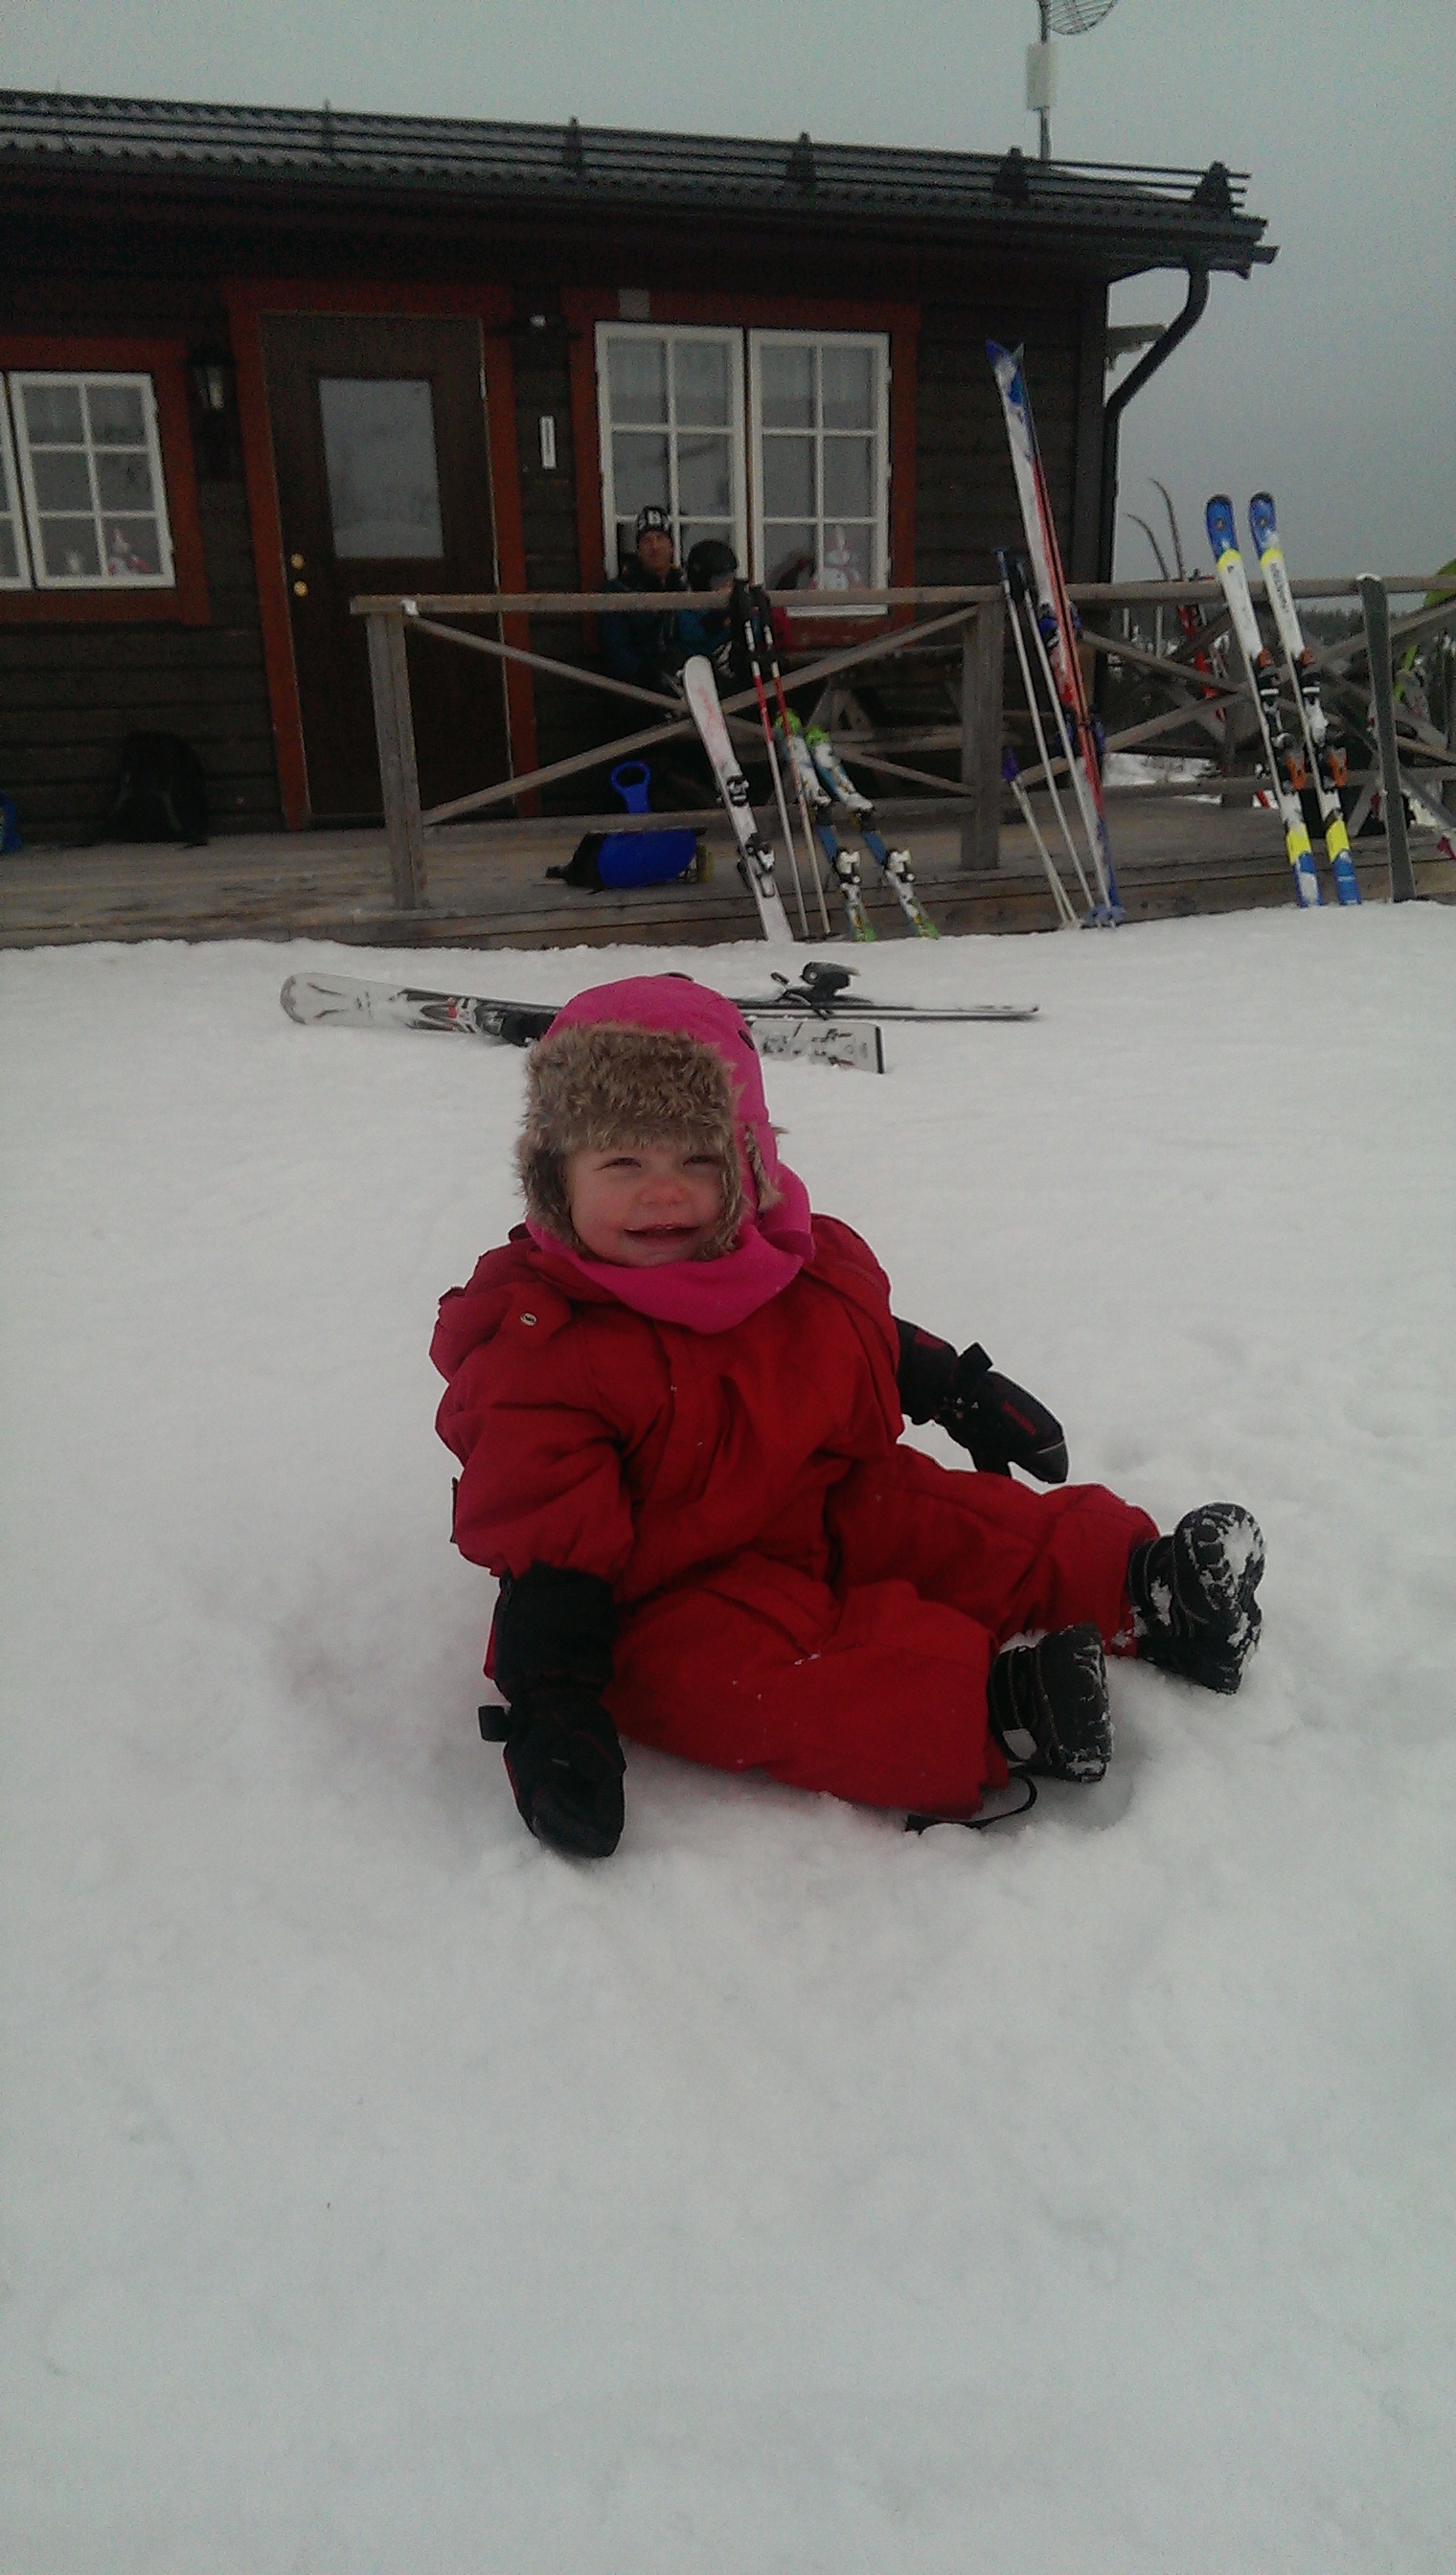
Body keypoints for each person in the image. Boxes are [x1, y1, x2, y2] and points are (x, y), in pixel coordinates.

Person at [431, 977, 1265, 1858]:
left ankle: (1152, 1591)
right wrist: (553, 1704)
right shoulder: (543, 1346)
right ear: (556, 1177)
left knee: (958, 1524)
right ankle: (1004, 1709)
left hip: (823, 1499)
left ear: (750, 1165)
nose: (664, 1194)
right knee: (766, 1679)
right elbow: (549, 1547)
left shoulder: (788, 1263)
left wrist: (955, 1387)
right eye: (623, 1164)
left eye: (699, 1161)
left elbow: (858, 1335)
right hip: (664, 1592)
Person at [600, 504, 686, 693]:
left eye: (660, 538)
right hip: (638, 692)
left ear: (671, 546)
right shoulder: (619, 591)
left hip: (688, 682)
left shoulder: (686, 588)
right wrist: (649, 671)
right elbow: (616, 651)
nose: (654, 547)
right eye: (647, 541)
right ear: (638, 550)